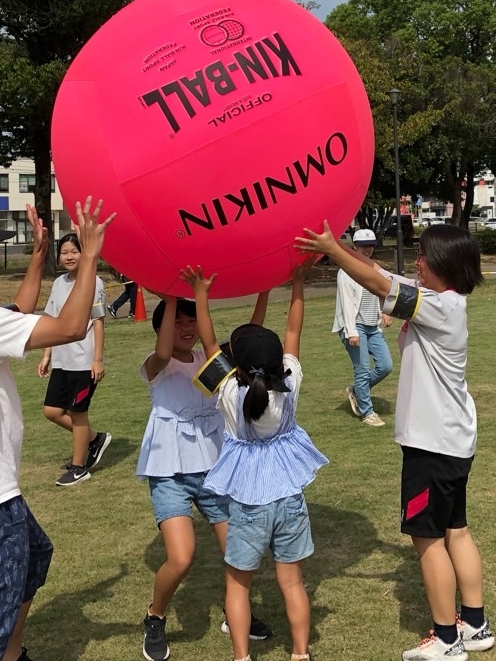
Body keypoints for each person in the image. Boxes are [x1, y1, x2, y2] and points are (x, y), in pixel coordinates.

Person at [0, 199, 113, 661]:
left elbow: (18, 312)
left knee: (34, 556)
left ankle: (11, 653)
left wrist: (36, 255)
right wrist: (89, 255)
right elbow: (71, 327)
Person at [297, 221, 494, 660]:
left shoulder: (439, 306)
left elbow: (374, 280)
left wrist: (331, 249)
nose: (418, 261)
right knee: (456, 531)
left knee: (427, 540)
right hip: (453, 441)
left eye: (424, 255)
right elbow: (375, 269)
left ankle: (446, 640)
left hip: (433, 444)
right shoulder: (444, 300)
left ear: (444, 263)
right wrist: (342, 246)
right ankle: (475, 625)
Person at [136, 279, 274, 661]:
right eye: (177, 321)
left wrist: (265, 286)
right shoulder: (156, 365)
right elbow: (164, 349)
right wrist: (168, 293)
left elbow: (251, 337)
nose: (187, 327)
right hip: (169, 471)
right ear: (162, 325)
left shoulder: (207, 360)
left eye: (191, 320)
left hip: (213, 467)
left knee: (239, 551)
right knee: (181, 557)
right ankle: (155, 615)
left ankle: (236, 612)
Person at [200, 261, 327, 661]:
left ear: (234, 365)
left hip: (249, 502)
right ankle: (300, 654)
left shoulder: (229, 395)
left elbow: (207, 343)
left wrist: (200, 292)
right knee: (293, 583)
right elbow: (293, 331)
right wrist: (297, 284)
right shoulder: (289, 383)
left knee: (237, 584)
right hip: (289, 497)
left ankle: (242, 657)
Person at [37, 233, 111, 487]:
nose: (68, 256)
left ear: (85, 253)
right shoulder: (59, 283)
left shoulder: (94, 282)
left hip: (83, 361)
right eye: (64, 252)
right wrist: (47, 354)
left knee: (78, 412)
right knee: (52, 411)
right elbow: (51, 320)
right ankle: (94, 439)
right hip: (62, 359)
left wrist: (97, 359)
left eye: (74, 251)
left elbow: (98, 322)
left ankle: (79, 468)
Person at [332, 228, 394, 427]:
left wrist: (385, 312)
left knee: (386, 365)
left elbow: (379, 292)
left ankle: (358, 391)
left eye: (370, 246)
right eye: (362, 246)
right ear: (354, 247)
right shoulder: (346, 271)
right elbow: (346, 303)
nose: (367, 250)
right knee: (363, 369)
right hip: (354, 326)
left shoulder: (372, 269)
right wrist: (351, 331)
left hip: (372, 325)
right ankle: (367, 412)